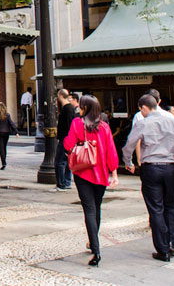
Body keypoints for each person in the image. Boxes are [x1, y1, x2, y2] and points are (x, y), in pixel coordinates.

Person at [122, 94, 174, 262]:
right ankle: (171, 242)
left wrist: (128, 161)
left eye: (141, 110)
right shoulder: (172, 120)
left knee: (156, 208)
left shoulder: (143, 123)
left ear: (144, 108)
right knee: (170, 205)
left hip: (151, 168)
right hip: (169, 167)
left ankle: (162, 249)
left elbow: (128, 145)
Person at [64, 95, 119, 267]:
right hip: (101, 173)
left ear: (85, 108)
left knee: (88, 209)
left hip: (83, 172)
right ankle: (93, 242)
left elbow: (68, 145)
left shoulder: (77, 124)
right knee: (96, 208)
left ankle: (95, 249)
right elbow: (111, 150)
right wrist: (114, 173)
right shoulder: (104, 126)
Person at [54, 89, 76, 191]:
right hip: (67, 139)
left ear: (60, 96)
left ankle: (61, 184)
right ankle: (66, 182)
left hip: (65, 139)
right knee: (66, 162)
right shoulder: (69, 108)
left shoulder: (67, 109)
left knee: (59, 162)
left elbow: (69, 125)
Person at [0, 103, 17, 170]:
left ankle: (3, 162)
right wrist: (16, 131)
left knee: (1, 148)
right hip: (6, 133)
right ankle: (4, 159)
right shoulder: (7, 115)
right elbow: (11, 123)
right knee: (4, 147)